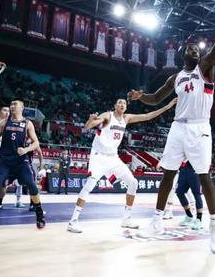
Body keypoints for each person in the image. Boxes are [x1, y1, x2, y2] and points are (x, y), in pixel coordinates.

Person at [127, 0, 215, 254]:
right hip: (177, 128)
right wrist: (140, 96)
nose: (196, 50)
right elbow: (155, 99)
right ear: (183, 53)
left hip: (199, 128)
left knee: (204, 176)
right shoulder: (175, 77)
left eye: (198, 49)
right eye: (192, 48)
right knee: (167, 175)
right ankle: (157, 221)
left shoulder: (206, 67)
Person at [67, 97, 178, 233]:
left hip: (113, 158)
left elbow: (147, 116)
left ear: (126, 107)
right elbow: (88, 126)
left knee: (133, 183)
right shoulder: (108, 115)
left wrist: (167, 107)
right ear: (115, 105)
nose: (122, 104)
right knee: (89, 185)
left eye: (124, 103)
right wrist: (91, 119)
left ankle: (126, 218)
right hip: (99, 156)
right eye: (119, 102)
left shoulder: (126, 118)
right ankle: (73, 221)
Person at [0, 98, 45, 235]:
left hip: (21, 162)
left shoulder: (28, 123)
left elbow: (36, 143)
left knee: (32, 185)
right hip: (5, 162)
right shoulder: (4, 122)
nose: (12, 106)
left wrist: (26, 150)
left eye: (15, 104)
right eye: (11, 104)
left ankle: (39, 214)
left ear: (22, 108)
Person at [176, 162, 204, 230]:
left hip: (194, 168)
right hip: (183, 168)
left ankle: (199, 220)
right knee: (179, 192)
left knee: (196, 194)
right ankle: (189, 216)